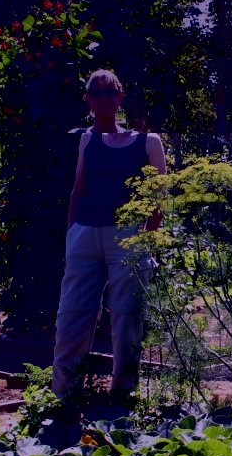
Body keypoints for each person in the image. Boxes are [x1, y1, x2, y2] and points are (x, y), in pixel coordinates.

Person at [51, 69, 166, 414]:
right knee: (72, 315)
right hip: (85, 236)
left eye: (110, 92)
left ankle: (122, 395)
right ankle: (65, 393)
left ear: (120, 98)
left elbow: (158, 199)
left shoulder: (149, 142)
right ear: (88, 101)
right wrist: (72, 234)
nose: (104, 99)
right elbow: (78, 190)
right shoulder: (87, 139)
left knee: (127, 318)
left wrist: (146, 241)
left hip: (128, 239)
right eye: (96, 93)